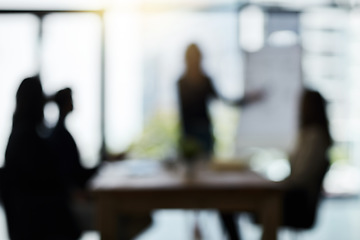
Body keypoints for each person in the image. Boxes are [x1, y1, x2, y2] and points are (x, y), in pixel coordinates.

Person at [222, 89, 333, 239]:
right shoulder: (310, 135)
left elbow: (299, 178)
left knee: (228, 204)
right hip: (294, 198)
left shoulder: (313, 138)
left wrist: (273, 184)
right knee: (228, 204)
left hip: (295, 204)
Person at [2, 76, 80, 240]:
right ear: (37, 103)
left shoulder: (20, 135)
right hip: (42, 222)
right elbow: (52, 179)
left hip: (30, 222)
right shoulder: (30, 139)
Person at [177, 43, 262, 157]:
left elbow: (225, 101)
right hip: (190, 135)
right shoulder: (182, 83)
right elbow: (183, 114)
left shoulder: (205, 81)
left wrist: (248, 99)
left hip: (203, 134)